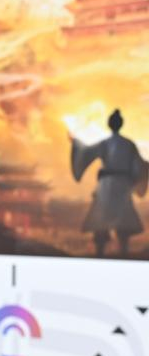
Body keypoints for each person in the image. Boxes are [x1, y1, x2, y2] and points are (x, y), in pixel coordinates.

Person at [72, 108, 148, 257]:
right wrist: (133, 179)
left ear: (110, 124)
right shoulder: (129, 144)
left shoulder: (104, 143)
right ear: (121, 124)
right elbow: (137, 167)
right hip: (122, 184)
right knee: (123, 218)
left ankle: (100, 252)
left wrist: (76, 143)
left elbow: (86, 154)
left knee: (102, 217)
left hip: (106, 185)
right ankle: (123, 252)